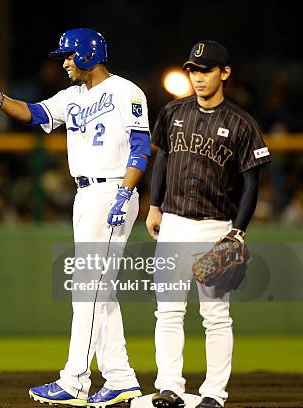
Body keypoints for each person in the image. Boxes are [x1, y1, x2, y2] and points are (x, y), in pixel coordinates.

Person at [0, 28, 151, 407]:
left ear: (87, 55)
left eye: (68, 56)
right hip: (85, 194)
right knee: (101, 291)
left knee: (88, 290)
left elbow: (141, 146)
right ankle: (120, 379)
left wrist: (126, 191)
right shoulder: (73, 96)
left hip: (112, 190)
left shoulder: (126, 91)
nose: (64, 63)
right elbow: (33, 114)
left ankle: (76, 381)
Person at [146, 41, 272, 408]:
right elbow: (163, 161)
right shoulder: (173, 112)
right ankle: (169, 386)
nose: (198, 77)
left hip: (216, 227)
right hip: (172, 223)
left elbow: (253, 182)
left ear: (225, 73)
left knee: (215, 317)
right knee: (168, 311)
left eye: (206, 70)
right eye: (193, 70)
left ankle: (214, 394)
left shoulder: (242, 123)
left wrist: (238, 230)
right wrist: (154, 206)